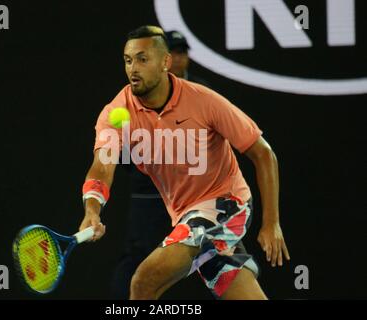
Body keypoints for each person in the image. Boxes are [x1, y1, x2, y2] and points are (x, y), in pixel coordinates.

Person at [79, 25, 290, 300]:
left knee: (143, 282)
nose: (133, 68)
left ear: (165, 62)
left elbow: (263, 154)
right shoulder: (116, 113)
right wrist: (92, 211)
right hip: (184, 214)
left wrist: (271, 222)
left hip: (226, 202)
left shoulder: (203, 100)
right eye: (128, 60)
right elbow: (102, 166)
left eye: (143, 59)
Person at [109, 30, 212, 300]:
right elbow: (119, 161)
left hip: (195, 198)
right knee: (136, 265)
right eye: (173, 52)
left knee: (216, 258)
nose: (177, 59)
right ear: (163, 59)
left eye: (182, 53)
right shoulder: (132, 100)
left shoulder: (202, 94)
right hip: (150, 196)